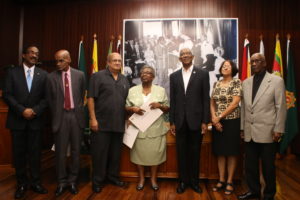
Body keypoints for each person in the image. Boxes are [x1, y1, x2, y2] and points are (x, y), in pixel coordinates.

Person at [238, 53, 286, 200]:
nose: (253, 64)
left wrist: (278, 129)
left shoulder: (276, 81)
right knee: (250, 166)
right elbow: (245, 108)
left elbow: (281, 107)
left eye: (257, 61)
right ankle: (254, 191)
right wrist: (242, 128)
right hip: (250, 132)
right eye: (251, 61)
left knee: (268, 167)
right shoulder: (246, 83)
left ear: (264, 63)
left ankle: (269, 194)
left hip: (268, 132)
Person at [3, 46, 48, 199]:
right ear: (24, 55)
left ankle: (35, 182)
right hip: (17, 120)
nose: (34, 55)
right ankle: (21, 183)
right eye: (31, 53)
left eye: (37, 53)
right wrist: (22, 110)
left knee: (35, 154)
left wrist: (34, 110)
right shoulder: (12, 72)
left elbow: (46, 98)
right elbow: (7, 95)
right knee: (19, 154)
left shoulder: (44, 75)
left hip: (36, 121)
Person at [169, 48, 210, 194]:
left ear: (192, 57)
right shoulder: (173, 76)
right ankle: (182, 182)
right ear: (179, 58)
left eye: (187, 54)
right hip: (180, 121)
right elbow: (173, 100)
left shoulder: (203, 74)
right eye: (182, 55)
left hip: (196, 121)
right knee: (181, 153)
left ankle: (194, 182)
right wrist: (172, 121)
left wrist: (205, 121)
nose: (185, 56)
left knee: (195, 153)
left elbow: (206, 99)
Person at [88, 52, 130, 193]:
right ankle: (97, 181)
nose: (118, 63)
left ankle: (112, 177)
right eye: (115, 61)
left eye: (119, 60)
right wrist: (93, 119)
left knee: (115, 154)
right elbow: (90, 98)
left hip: (118, 124)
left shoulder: (124, 79)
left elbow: (127, 102)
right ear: (108, 62)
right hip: (101, 124)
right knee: (99, 154)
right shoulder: (97, 76)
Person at [46, 50, 86, 196]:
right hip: (61, 117)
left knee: (76, 151)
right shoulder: (51, 77)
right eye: (56, 61)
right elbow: (50, 100)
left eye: (61, 60)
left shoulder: (80, 75)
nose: (58, 64)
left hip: (76, 116)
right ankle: (62, 182)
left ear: (69, 59)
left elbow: (81, 95)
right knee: (60, 153)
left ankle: (73, 181)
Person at [125, 65, 169, 191]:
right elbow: (126, 107)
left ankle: (153, 179)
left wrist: (160, 105)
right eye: (143, 72)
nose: (145, 74)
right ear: (140, 75)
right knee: (139, 155)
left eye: (148, 73)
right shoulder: (132, 90)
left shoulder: (160, 90)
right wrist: (132, 109)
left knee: (155, 156)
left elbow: (167, 108)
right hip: (138, 129)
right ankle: (142, 178)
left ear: (153, 77)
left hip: (156, 129)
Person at [210, 60, 241, 195]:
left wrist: (219, 117)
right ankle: (221, 179)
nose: (225, 67)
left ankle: (229, 181)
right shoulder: (216, 83)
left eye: (228, 66)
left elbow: (235, 104)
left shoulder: (237, 82)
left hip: (232, 121)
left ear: (233, 69)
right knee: (220, 152)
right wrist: (214, 119)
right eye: (223, 66)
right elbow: (212, 102)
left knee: (231, 152)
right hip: (217, 123)